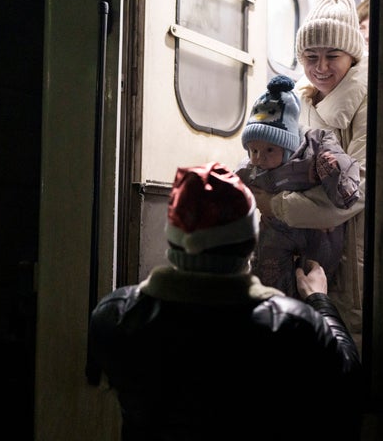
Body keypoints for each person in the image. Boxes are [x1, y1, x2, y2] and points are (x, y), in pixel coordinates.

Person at [86, 162, 362, 441]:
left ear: (174, 241)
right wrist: (319, 300)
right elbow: (348, 379)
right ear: (250, 242)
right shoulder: (293, 326)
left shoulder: (115, 316)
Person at [251, 0, 368, 351]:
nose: (320, 67)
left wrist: (275, 206)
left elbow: (358, 188)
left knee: (344, 337)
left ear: (352, 54)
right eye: (310, 56)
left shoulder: (370, 100)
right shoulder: (293, 100)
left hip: (349, 244)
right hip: (298, 241)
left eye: (332, 55)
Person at [235, 74, 360, 298]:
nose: (259, 158)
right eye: (253, 151)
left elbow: (347, 169)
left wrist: (334, 178)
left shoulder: (315, 148)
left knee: (318, 274)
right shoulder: (251, 169)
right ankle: (276, 307)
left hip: (318, 230)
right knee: (269, 273)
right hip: (277, 229)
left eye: (270, 150)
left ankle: (314, 308)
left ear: (289, 145)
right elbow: (235, 187)